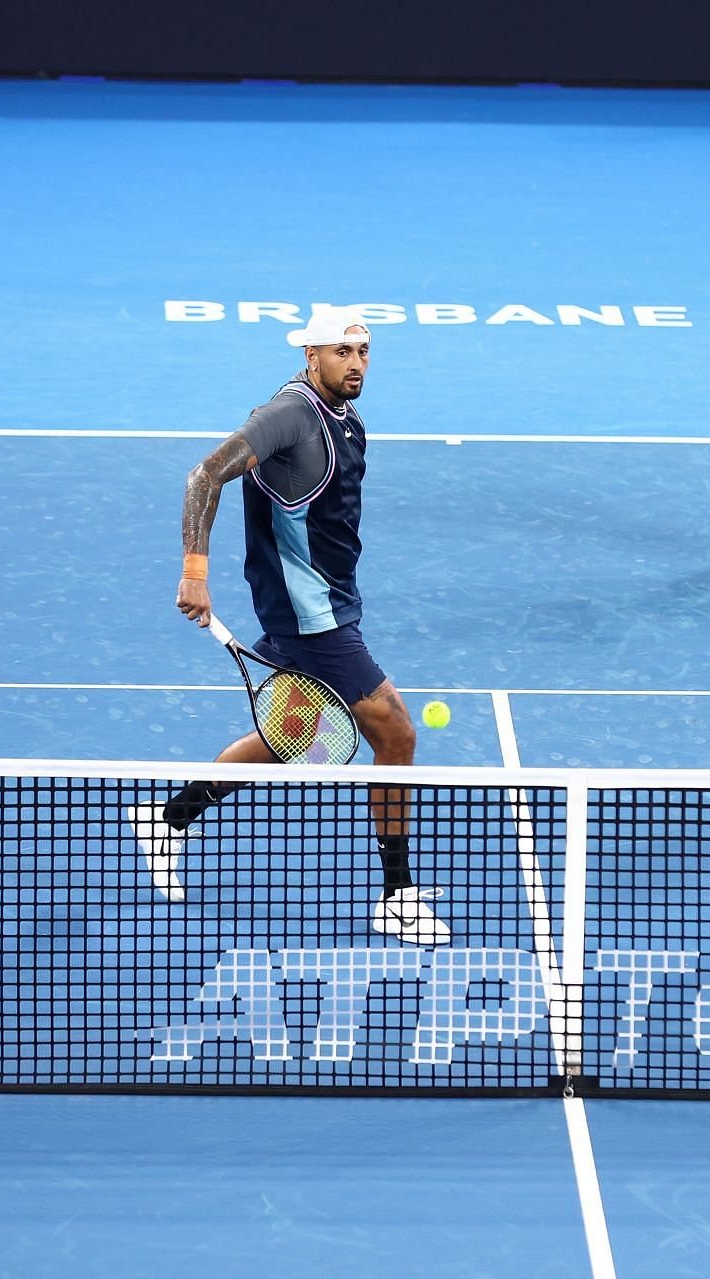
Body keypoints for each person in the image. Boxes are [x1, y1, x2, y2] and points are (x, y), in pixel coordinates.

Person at [124, 308, 448, 946]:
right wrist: (195, 571)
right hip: (312, 619)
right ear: (311, 355)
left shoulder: (342, 418)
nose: (356, 363)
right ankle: (397, 895)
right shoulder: (290, 416)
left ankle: (167, 820)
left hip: (325, 603)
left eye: (364, 351)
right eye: (342, 351)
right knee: (397, 735)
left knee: (288, 735)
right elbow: (204, 475)